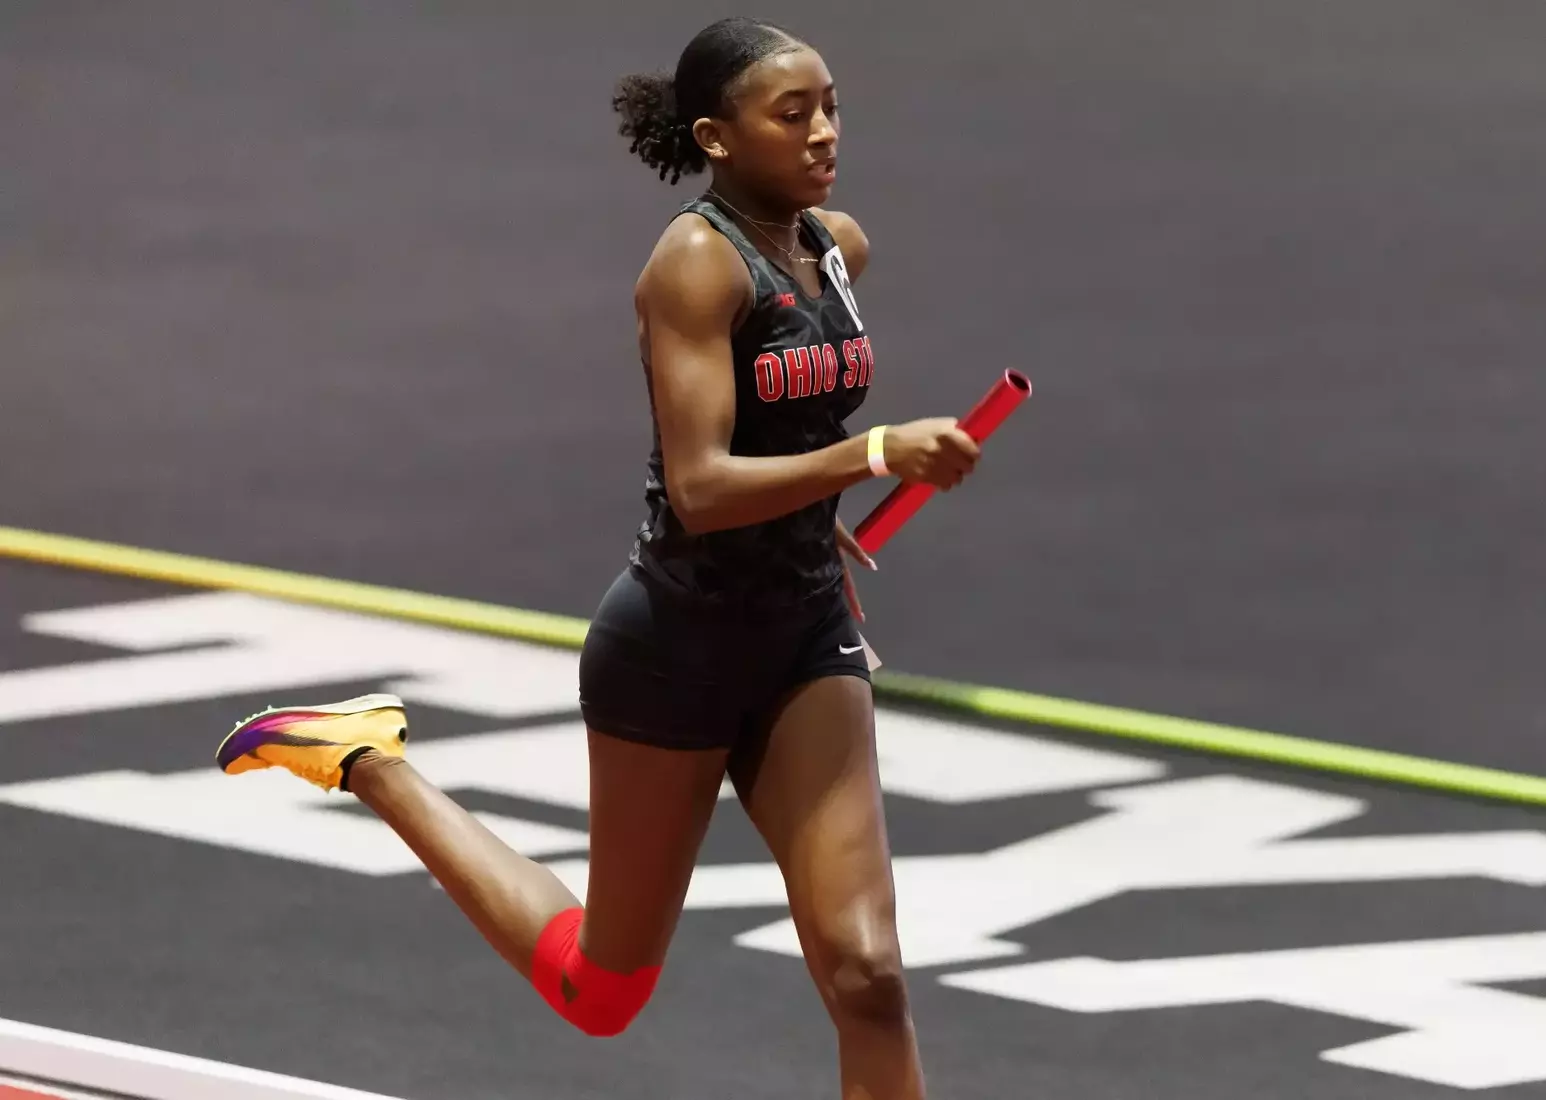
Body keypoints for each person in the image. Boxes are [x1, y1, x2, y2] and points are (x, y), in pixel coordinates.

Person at [213, 16, 980, 1100]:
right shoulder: (695, 266)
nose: (823, 134)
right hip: (676, 647)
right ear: (717, 136)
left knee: (869, 975)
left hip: (806, 634)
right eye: (792, 114)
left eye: (832, 107)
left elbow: (791, 427)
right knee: (601, 991)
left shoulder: (835, 248)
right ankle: (368, 761)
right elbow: (705, 484)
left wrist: (822, 506)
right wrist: (872, 450)